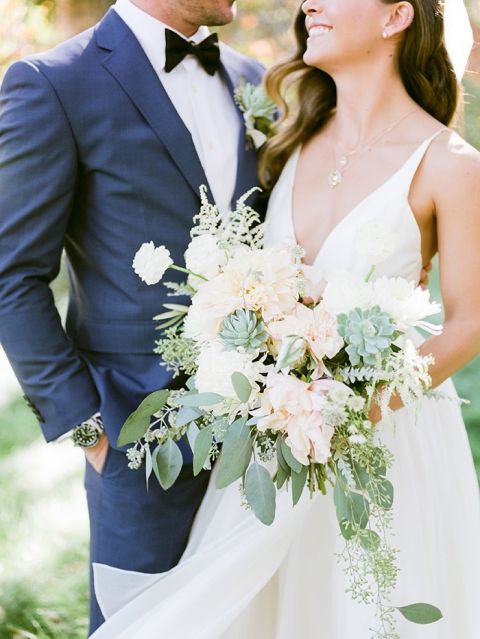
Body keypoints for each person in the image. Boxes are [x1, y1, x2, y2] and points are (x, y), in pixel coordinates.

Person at [87, 1, 480, 638]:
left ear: (397, 16)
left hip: (387, 437)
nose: (308, 3)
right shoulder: (285, 141)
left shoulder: (451, 164)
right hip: (274, 440)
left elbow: (468, 324)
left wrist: (346, 411)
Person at [0, 0, 264, 634]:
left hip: (268, 434)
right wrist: (89, 430)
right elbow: (12, 275)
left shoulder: (253, 80)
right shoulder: (55, 81)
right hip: (139, 438)